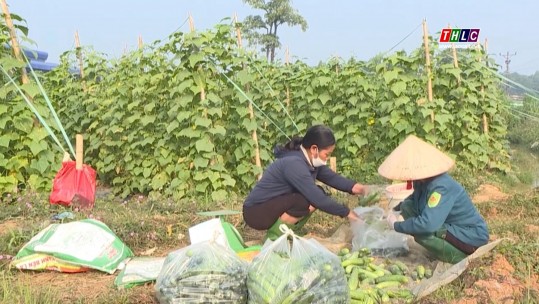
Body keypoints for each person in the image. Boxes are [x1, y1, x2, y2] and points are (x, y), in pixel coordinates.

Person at [242, 125, 367, 241]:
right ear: (314, 149)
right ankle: (275, 238)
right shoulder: (294, 163)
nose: (327, 158)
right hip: (256, 212)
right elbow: (319, 200)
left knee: (316, 192)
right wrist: (348, 213)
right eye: (327, 154)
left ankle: (290, 231)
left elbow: (333, 178)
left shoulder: (309, 160)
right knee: (304, 200)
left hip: (272, 204)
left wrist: (362, 189)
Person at [379, 135, 489, 264]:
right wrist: (395, 209)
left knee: (423, 234)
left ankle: (458, 258)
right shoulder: (422, 180)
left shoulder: (441, 187)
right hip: (450, 226)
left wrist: (397, 226)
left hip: (469, 235)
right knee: (407, 206)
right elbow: (414, 198)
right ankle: (441, 246)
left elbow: (427, 224)